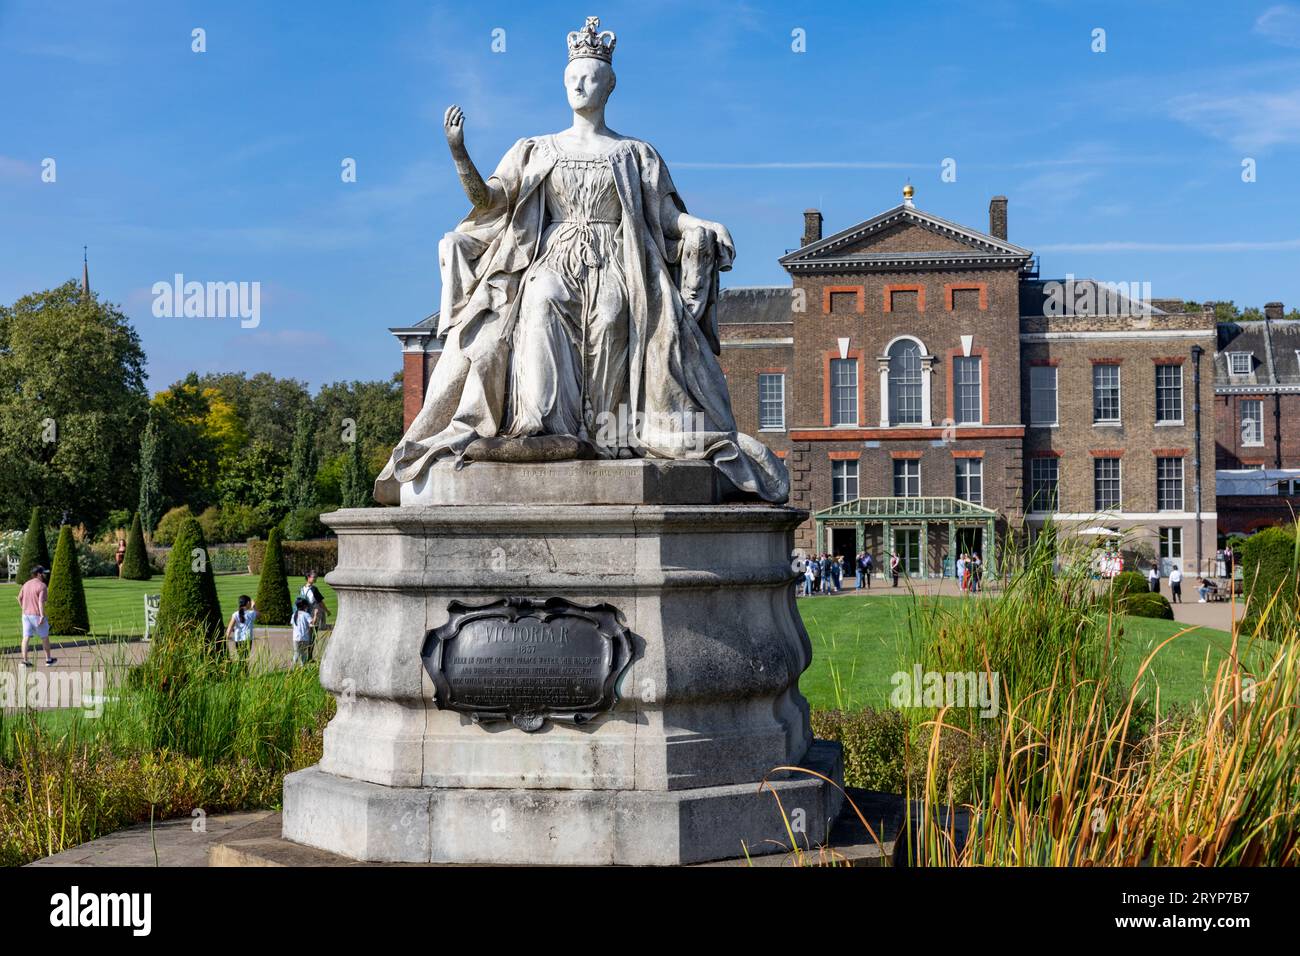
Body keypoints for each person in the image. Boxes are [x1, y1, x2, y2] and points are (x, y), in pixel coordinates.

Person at [373, 17, 787, 506]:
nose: (579, 85)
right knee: (541, 300)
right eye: (572, 78)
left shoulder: (635, 153)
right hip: (552, 255)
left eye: (589, 77)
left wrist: (701, 224)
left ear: (608, 86)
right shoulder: (536, 149)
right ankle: (542, 426)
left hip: (618, 259)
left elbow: (665, 215)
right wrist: (460, 154)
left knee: (615, 315)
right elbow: (489, 203)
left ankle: (605, 435)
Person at [17, 565, 55, 668]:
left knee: (26, 637)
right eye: (43, 573)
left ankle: (25, 661)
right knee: (44, 637)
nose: (44, 575)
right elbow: (40, 602)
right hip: (37, 615)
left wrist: (23, 609)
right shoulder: (42, 586)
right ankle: (48, 660)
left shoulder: (26, 584)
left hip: (26, 615)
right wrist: (42, 615)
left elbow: (19, 598)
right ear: (39, 574)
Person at [226, 595, 258, 665]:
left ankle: (242, 672)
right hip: (247, 639)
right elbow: (259, 614)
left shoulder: (235, 614)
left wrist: (227, 636)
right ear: (248, 603)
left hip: (238, 639)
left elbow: (230, 627)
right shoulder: (251, 613)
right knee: (245, 658)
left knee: (241, 657)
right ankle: (244, 673)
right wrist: (254, 606)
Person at [291, 597, 315, 665]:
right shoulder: (306, 614)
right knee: (303, 655)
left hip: (296, 637)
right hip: (304, 637)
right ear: (304, 606)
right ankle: (302, 668)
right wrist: (315, 614)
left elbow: (293, 625)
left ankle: (292, 668)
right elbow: (312, 623)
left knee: (296, 653)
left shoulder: (294, 615)